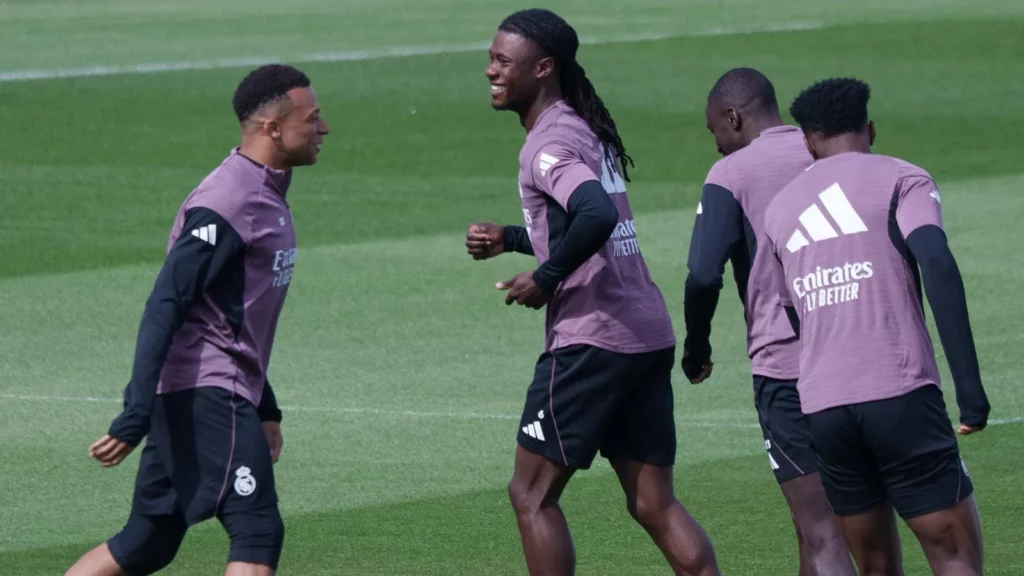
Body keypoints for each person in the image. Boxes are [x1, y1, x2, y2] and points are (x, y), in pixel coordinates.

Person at [465, 9, 720, 576]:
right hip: (644, 333)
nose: (490, 71)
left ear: (543, 68)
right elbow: (585, 225)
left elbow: (596, 214)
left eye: (503, 61)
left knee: (531, 494)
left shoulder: (548, 143)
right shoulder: (583, 129)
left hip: (592, 340)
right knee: (654, 503)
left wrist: (545, 278)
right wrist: (511, 238)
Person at [65, 63, 329, 576]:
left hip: (207, 390)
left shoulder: (262, 190)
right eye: (312, 118)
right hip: (207, 393)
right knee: (257, 529)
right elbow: (166, 302)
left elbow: (233, 315)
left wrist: (265, 405)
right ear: (273, 127)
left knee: (148, 542)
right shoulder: (230, 201)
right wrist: (135, 411)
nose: (324, 128)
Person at [763, 77, 989, 576]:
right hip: (899, 393)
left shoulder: (779, 210)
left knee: (875, 566)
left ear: (808, 142)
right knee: (954, 557)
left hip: (824, 409)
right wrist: (971, 392)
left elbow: (795, 314)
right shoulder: (902, 178)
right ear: (869, 129)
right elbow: (935, 260)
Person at [683, 68, 854, 575]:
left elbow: (702, 275)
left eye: (714, 129)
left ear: (734, 117)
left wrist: (696, 349)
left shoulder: (731, 173)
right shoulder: (829, 149)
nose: (716, 143)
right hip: (862, 359)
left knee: (822, 531)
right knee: (847, 525)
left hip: (788, 368)